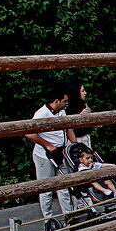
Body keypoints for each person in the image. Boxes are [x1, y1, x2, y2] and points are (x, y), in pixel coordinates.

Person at [25, 85, 76, 223]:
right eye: (64, 101)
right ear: (56, 101)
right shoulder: (41, 114)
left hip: (60, 153)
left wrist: (76, 145)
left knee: (64, 185)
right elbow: (29, 133)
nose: (67, 104)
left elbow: (68, 128)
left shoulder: (62, 113)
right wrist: (47, 145)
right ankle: (48, 219)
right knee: (46, 188)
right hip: (44, 155)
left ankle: (69, 215)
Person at [64, 83, 93, 150]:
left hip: (86, 138)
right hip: (74, 140)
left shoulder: (83, 105)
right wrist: (79, 116)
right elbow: (68, 129)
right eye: (82, 91)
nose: (85, 93)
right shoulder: (67, 109)